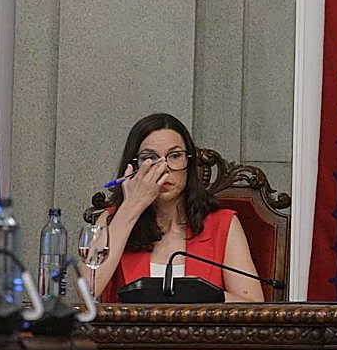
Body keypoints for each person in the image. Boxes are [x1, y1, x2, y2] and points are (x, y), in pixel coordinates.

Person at [93, 113, 264, 302]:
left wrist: (201, 294)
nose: (163, 168)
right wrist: (132, 206)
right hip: (128, 331)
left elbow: (254, 307)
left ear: (189, 163)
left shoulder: (222, 223)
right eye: (150, 158)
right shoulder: (111, 220)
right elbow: (88, 290)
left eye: (175, 156)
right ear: (133, 167)